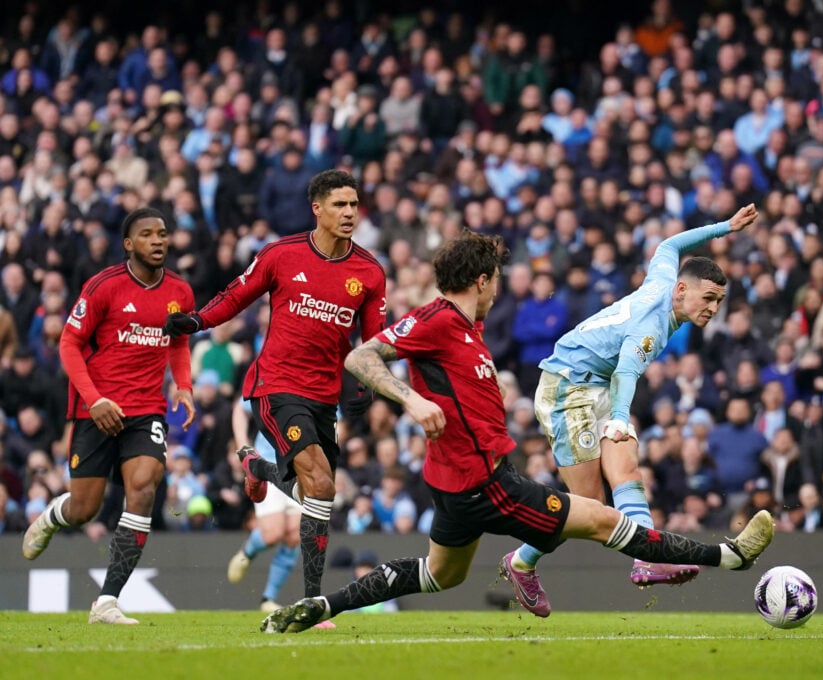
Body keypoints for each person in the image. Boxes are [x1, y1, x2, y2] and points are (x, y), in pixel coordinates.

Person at [260, 232, 774, 632]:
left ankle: (322, 604)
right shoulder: (437, 321)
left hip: (455, 483)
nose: (500, 289)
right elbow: (361, 357)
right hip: (489, 485)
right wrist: (411, 400)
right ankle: (728, 556)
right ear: (482, 281)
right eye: (498, 281)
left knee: (440, 574)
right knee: (602, 520)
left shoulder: (467, 326)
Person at [508, 203, 760, 599]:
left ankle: (646, 558)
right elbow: (626, 373)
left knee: (626, 471)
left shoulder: (663, 282)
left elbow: (669, 245)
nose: (713, 308)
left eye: (719, 301)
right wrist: (620, 417)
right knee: (588, 504)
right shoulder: (652, 325)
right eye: (708, 297)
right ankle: (521, 561)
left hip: (599, 385)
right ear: (682, 290)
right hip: (567, 387)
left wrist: (725, 227)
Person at [163, 170, 386, 604]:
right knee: (319, 485)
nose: (349, 213)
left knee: (318, 493)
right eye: (339, 205)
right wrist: (198, 321)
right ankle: (312, 603)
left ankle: (259, 469)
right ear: (317, 209)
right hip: (276, 384)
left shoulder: (370, 272)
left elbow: (374, 340)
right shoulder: (282, 254)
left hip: (325, 395)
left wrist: (366, 381)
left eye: (354, 205)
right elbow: (236, 294)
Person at [22, 207, 197, 625]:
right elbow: (69, 344)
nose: (158, 240)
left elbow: (178, 343)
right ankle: (53, 515)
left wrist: (183, 385)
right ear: (129, 244)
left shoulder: (180, 291)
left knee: (144, 486)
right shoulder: (103, 286)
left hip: (147, 408)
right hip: (96, 409)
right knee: (84, 509)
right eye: (147, 234)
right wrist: (95, 399)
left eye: (162, 234)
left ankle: (107, 601)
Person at [224, 397, 304, 616]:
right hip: (269, 464)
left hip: (302, 468)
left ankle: (268, 598)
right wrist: (243, 444)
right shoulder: (272, 383)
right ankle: (247, 552)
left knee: (294, 535)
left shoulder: (317, 384)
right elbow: (240, 408)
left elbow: (335, 421)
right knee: (273, 534)